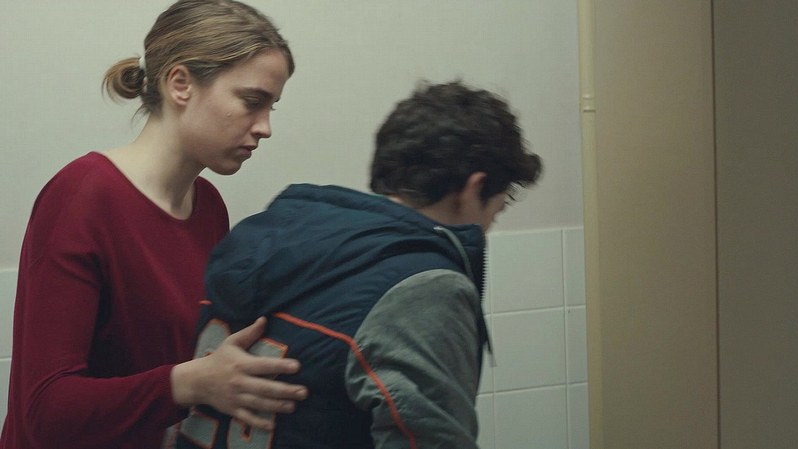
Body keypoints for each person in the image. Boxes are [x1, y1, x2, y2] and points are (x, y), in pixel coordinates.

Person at [0, 1, 309, 448]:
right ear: (180, 84)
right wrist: (189, 384)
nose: (265, 127)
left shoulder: (208, 206)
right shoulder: (83, 196)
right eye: (251, 102)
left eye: (271, 107)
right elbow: (46, 411)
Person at [168, 81, 543, 448]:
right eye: (497, 209)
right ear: (474, 188)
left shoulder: (269, 233)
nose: (489, 226)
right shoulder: (425, 285)